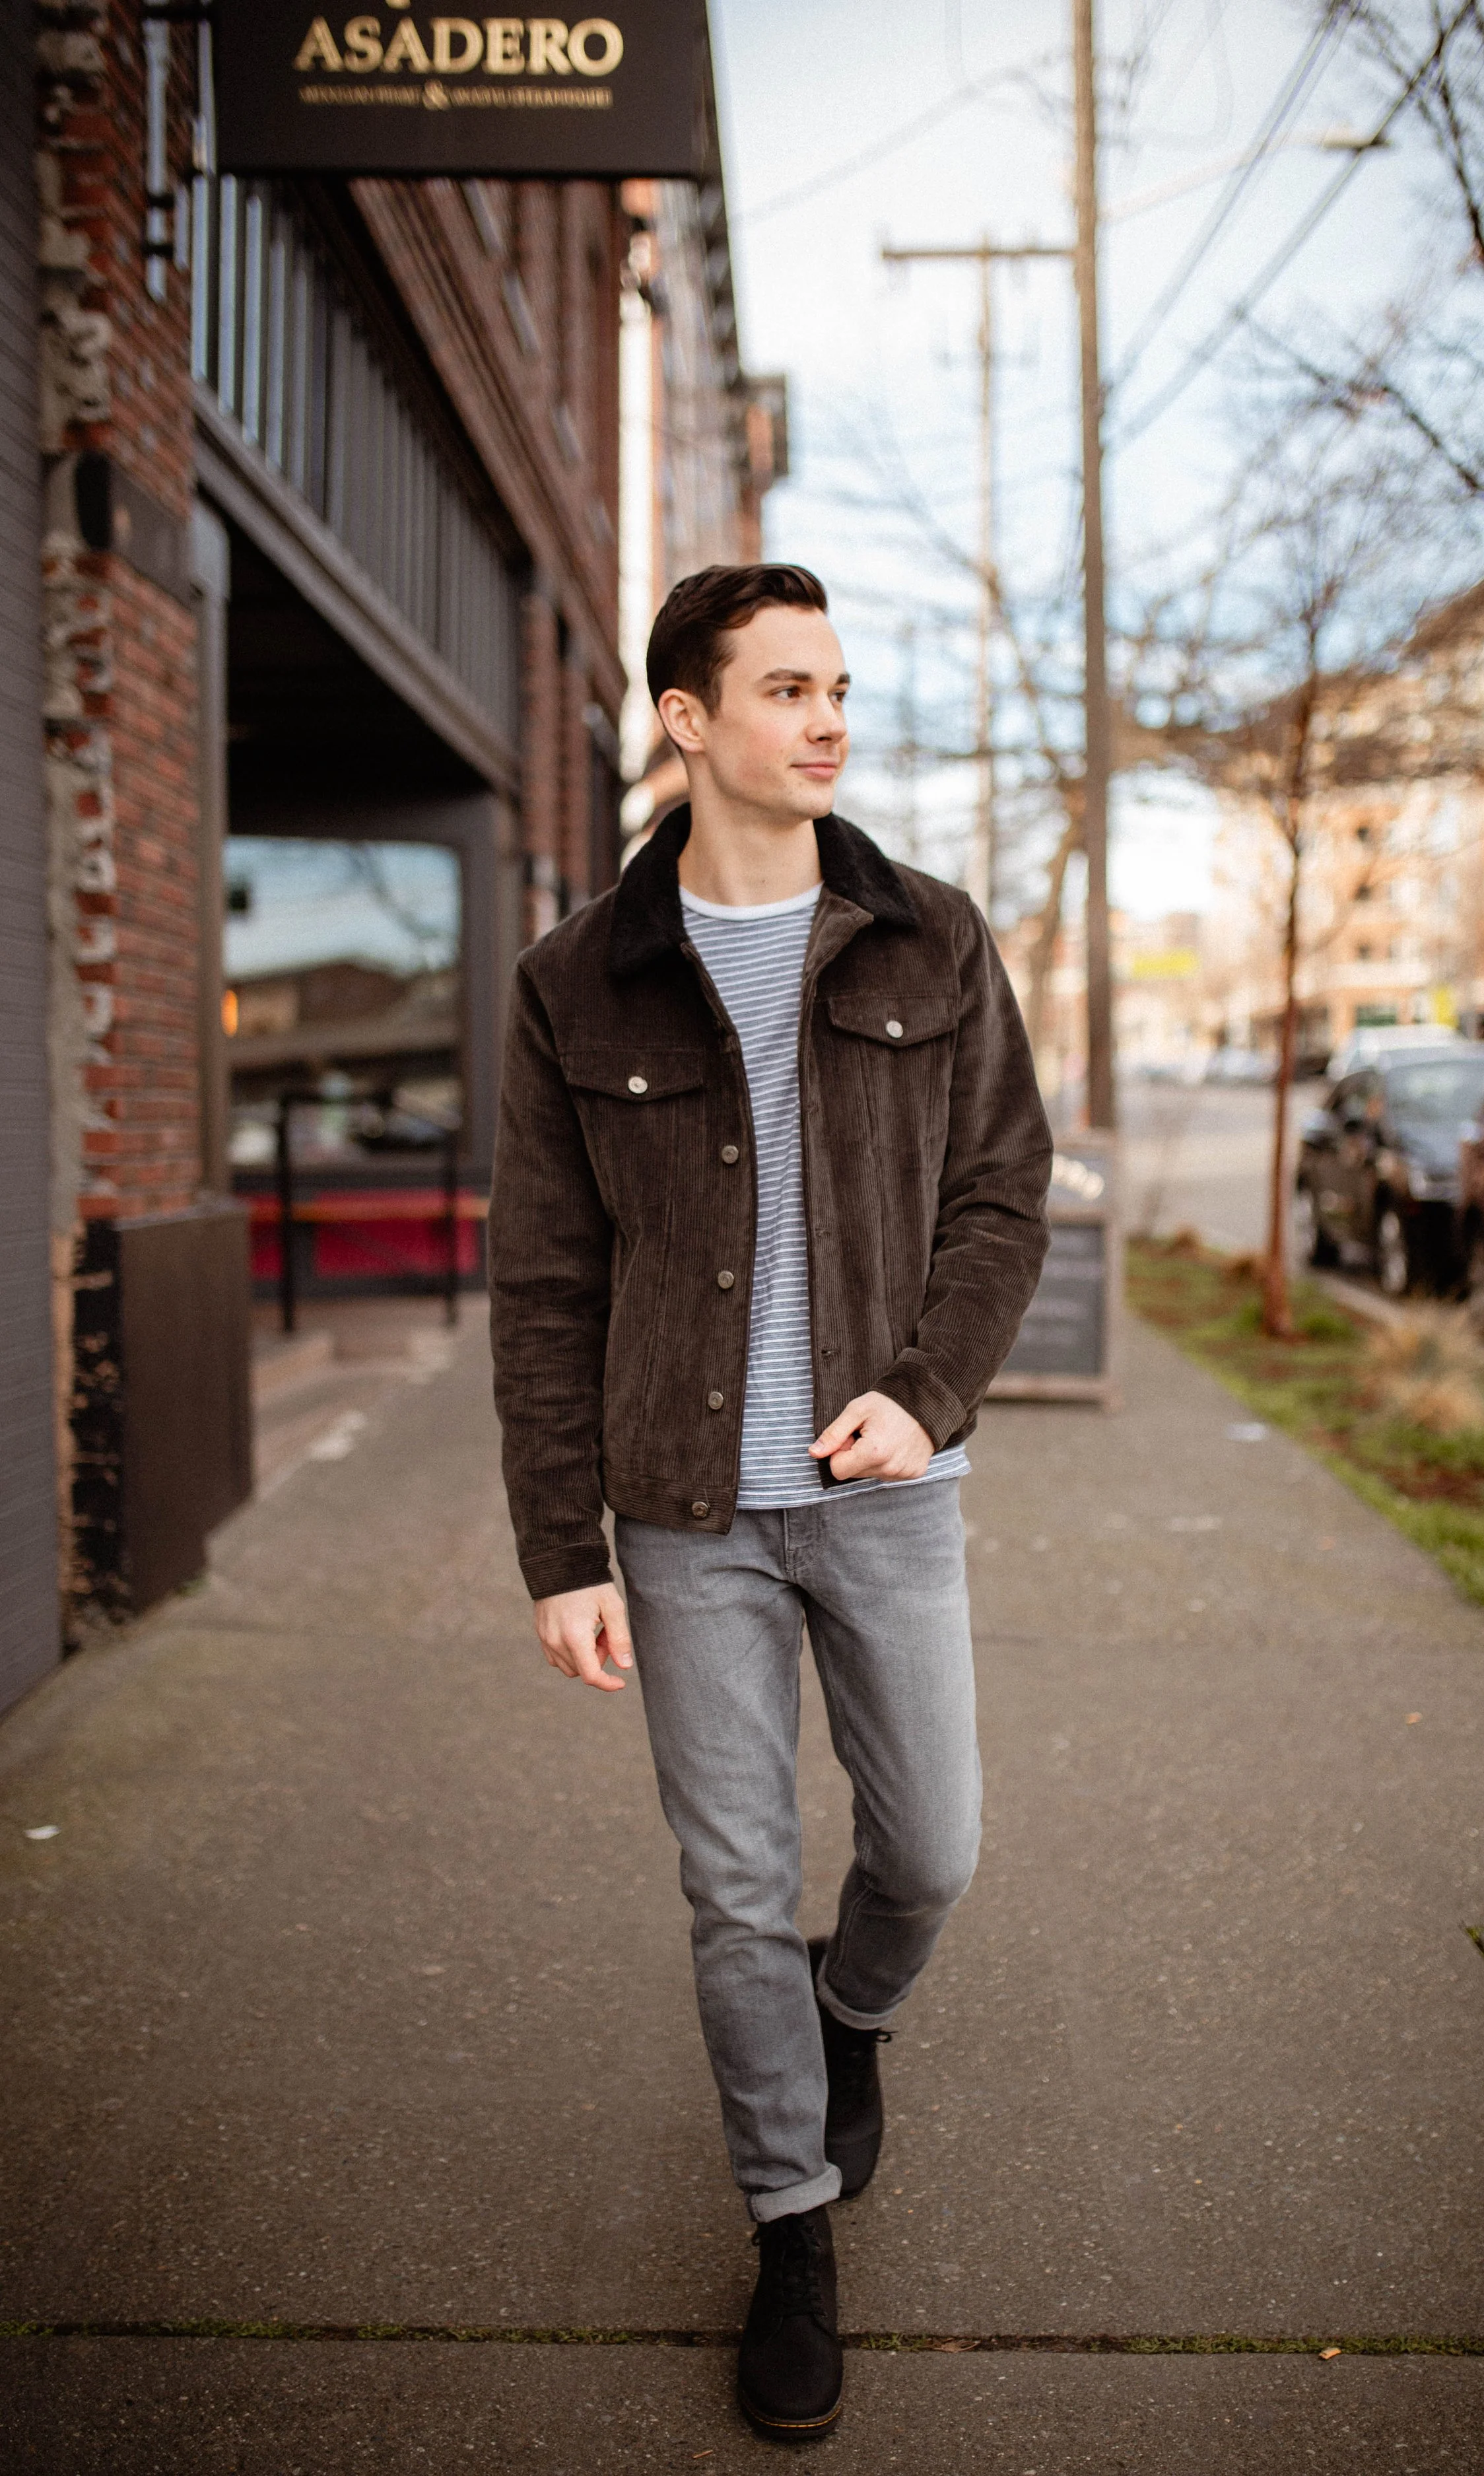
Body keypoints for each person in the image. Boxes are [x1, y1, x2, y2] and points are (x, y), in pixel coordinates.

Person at [489, 563, 1050, 2440]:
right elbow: (548, 1280)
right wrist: (560, 1546)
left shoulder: (930, 940)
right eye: (787, 686)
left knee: (933, 1850)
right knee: (734, 1886)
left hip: (887, 1491)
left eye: (836, 685)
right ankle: (790, 2228)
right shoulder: (576, 977)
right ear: (685, 718)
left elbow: (999, 1201)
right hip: (682, 1511)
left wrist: (924, 1387)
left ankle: (856, 2016)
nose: (827, 716)